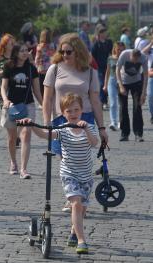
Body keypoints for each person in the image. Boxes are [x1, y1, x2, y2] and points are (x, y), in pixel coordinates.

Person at [19, 93, 98, 254]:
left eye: (76, 110)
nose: (73, 114)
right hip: (69, 173)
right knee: (75, 204)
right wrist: (31, 125)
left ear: (82, 110)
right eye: (69, 111)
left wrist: (86, 129)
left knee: (82, 209)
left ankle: (74, 233)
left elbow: (94, 142)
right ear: (63, 114)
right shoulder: (63, 130)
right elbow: (45, 134)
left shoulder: (88, 127)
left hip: (86, 175)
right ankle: (82, 241)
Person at [43, 33, 107, 212]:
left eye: (68, 51)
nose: (65, 55)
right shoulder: (54, 69)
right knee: (65, 158)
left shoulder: (90, 72)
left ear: (78, 51)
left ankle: (79, 196)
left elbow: (95, 100)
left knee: (81, 158)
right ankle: (72, 196)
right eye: (62, 51)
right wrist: (47, 122)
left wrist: (101, 127)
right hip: (60, 118)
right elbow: (47, 99)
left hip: (84, 118)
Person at [0, 43, 43, 179]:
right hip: (11, 105)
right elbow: (3, 87)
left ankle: (24, 169)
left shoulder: (31, 68)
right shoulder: (8, 66)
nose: (25, 53)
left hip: (28, 105)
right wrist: (5, 100)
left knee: (26, 134)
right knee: (12, 138)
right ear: (16, 52)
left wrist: (43, 105)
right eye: (22, 51)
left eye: (26, 51)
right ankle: (13, 163)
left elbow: (36, 90)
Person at [116, 48, 148, 142]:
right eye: (133, 60)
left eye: (136, 61)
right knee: (123, 107)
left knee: (137, 107)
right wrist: (121, 86)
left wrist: (143, 93)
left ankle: (138, 134)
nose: (134, 62)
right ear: (130, 56)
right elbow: (117, 70)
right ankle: (124, 133)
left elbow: (146, 75)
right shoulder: (124, 54)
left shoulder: (143, 58)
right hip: (123, 81)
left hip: (136, 82)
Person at [103, 42, 125, 131]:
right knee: (112, 103)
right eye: (118, 49)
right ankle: (113, 122)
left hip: (122, 81)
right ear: (115, 49)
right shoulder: (110, 58)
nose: (119, 51)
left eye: (121, 49)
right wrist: (105, 85)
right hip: (111, 80)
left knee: (121, 103)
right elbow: (107, 72)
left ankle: (121, 121)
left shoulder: (125, 58)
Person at [0, 34, 16, 108]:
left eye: (14, 43)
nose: (13, 44)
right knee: (5, 110)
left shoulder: (17, 57)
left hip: (17, 87)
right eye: (11, 43)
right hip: (3, 88)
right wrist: (4, 72)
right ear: (5, 45)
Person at [92, 26, 113, 108]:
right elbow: (92, 55)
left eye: (105, 32)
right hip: (99, 67)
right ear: (99, 34)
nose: (105, 34)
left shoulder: (109, 42)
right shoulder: (96, 44)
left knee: (107, 83)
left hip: (108, 66)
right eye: (103, 32)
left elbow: (111, 52)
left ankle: (105, 100)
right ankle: (102, 101)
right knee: (101, 84)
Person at [35, 28, 55, 96]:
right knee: (50, 85)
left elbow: (37, 58)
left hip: (41, 68)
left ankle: (43, 101)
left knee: (41, 85)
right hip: (50, 67)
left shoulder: (39, 46)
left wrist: (36, 66)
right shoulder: (52, 45)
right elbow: (53, 56)